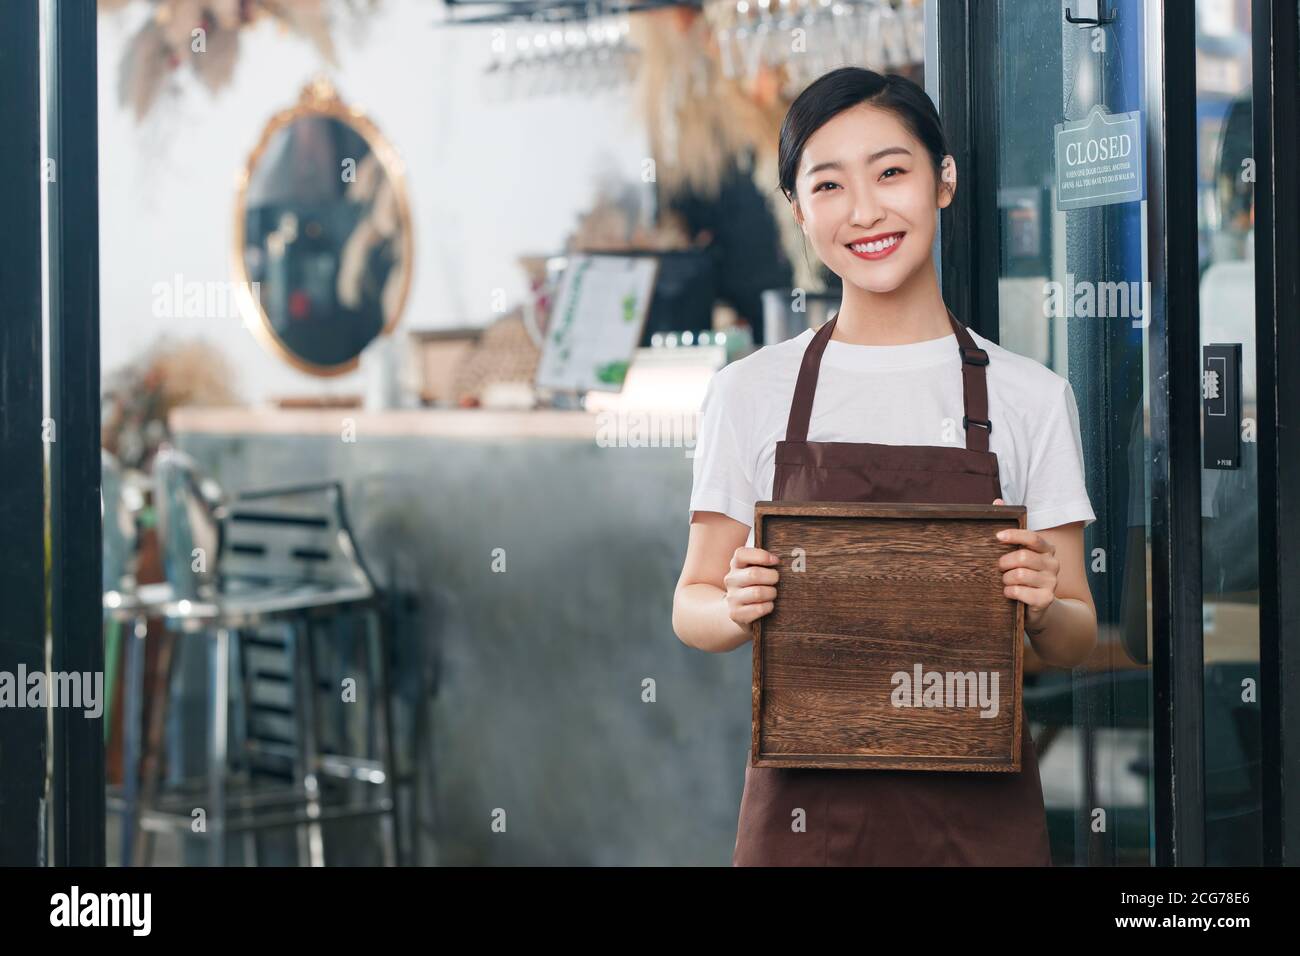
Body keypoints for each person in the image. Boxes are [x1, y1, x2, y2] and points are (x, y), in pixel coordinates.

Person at [671, 67, 1099, 866]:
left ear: (944, 180)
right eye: (828, 185)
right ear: (798, 211)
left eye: (892, 172)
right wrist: (733, 608)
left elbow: (1075, 631)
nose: (865, 211)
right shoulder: (749, 393)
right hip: (804, 817)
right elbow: (690, 603)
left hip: (981, 817)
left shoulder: (1031, 397)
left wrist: (1044, 604)